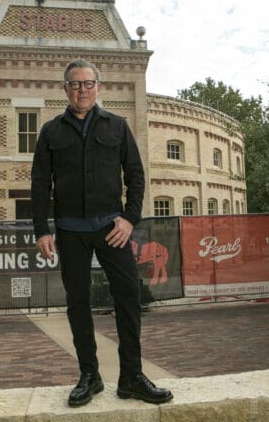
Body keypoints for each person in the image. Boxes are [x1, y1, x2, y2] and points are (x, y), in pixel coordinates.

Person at [31, 59, 173, 407]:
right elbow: (39, 184)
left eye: (88, 83)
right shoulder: (51, 132)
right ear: (65, 89)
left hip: (113, 229)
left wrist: (129, 219)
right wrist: (41, 230)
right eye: (75, 84)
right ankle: (89, 376)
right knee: (77, 303)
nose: (83, 90)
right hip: (70, 231)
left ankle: (131, 378)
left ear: (98, 87)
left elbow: (136, 176)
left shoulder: (118, 125)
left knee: (128, 298)